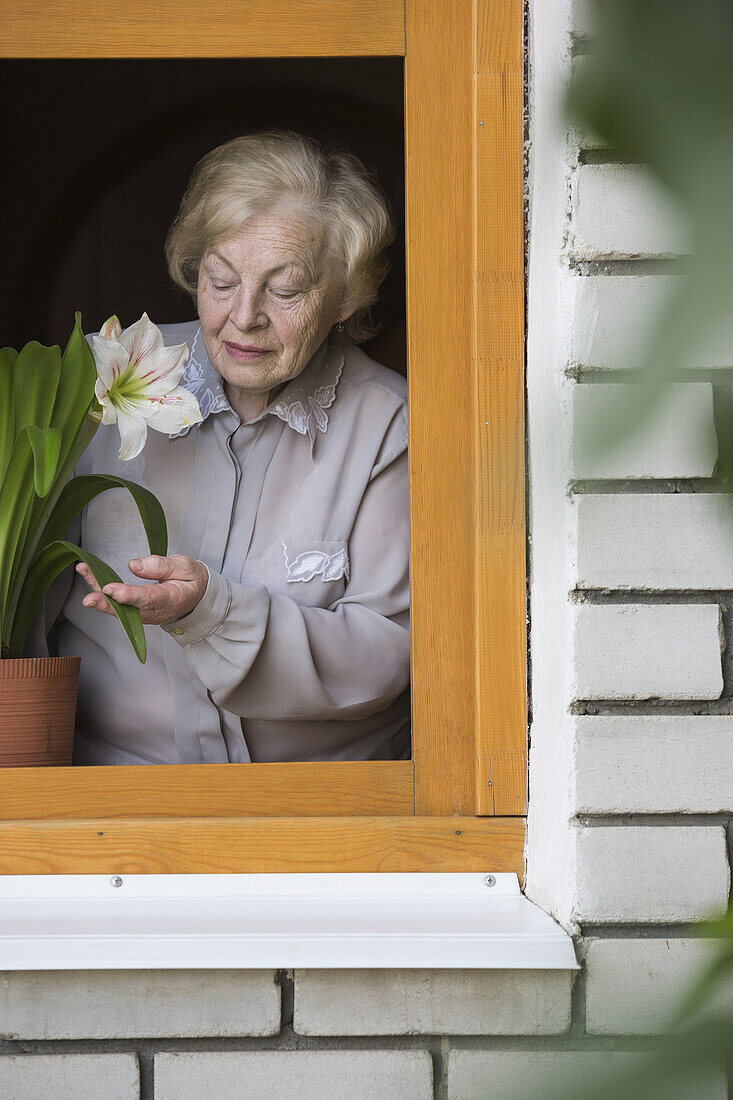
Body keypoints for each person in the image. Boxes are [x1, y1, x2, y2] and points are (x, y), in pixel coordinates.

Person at [50, 131, 410, 766]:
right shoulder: (103, 382)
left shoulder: (388, 423)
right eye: (221, 280)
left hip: (320, 810)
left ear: (345, 299)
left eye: (286, 289)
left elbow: (387, 651)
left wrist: (212, 613)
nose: (244, 316)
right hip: (115, 797)